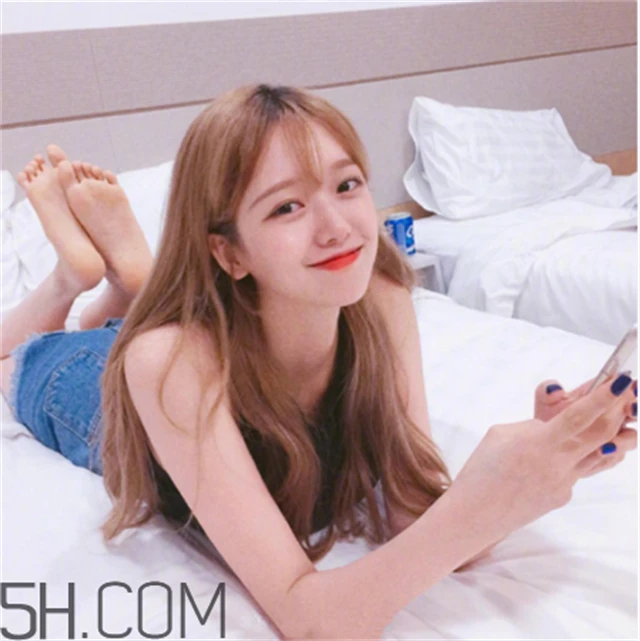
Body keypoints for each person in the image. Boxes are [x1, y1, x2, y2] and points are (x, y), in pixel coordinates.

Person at [0, 84, 637, 641]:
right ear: (229, 254)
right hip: (103, 389)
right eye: (287, 206)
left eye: (346, 184)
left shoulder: (381, 296)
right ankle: (72, 278)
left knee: (140, 330)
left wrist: (533, 472)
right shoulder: (167, 362)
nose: (338, 228)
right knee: (14, 358)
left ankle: (133, 285)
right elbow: (312, 622)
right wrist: (481, 505)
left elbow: (411, 513)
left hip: (199, 340)